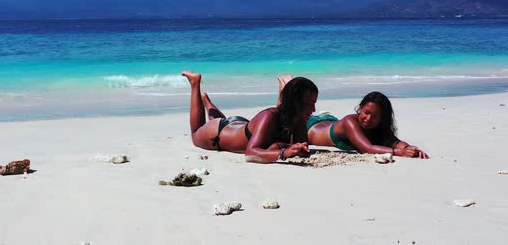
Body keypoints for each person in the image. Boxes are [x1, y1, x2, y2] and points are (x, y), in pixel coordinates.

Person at [277, 75, 428, 158]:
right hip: (312, 127)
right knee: (283, 120)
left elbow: (394, 142)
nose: (368, 119)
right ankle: (285, 92)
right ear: (360, 109)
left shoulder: (376, 128)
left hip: (329, 121)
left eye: (374, 116)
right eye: (366, 113)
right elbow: (366, 148)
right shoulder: (351, 121)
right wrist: (399, 153)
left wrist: (410, 148)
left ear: (382, 119)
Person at [182, 71, 317, 163]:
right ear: (296, 103)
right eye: (309, 104)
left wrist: (296, 149)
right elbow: (251, 153)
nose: (314, 109)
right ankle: (195, 83)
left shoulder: (298, 117)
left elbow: (302, 149)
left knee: (219, 122)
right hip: (218, 132)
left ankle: (208, 103)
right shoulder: (268, 116)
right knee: (195, 134)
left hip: (238, 125)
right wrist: (283, 153)